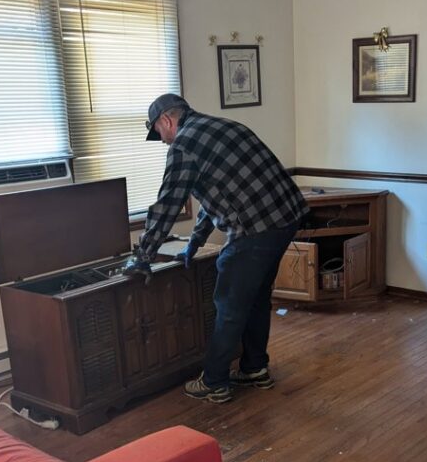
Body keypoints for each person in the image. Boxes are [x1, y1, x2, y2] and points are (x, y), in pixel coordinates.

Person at [124, 93, 308, 404]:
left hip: (255, 231)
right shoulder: (225, 127)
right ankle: (254, 368)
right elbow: (217, 197)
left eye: (160, 133)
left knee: (230, 306)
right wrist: (194, 243)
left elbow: (168, 203)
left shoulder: (184, 144)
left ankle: (214, 381)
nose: (164, 142)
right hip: (286, 220)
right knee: (256, 298)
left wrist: (142, 257)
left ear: (167, 121)